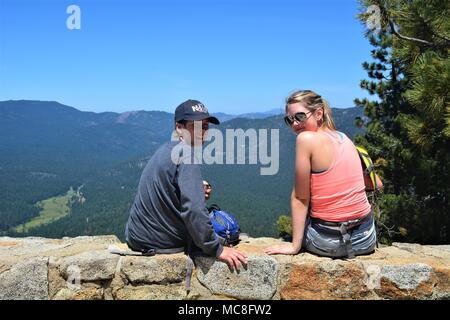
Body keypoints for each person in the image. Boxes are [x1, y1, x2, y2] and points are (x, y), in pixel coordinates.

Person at [125, 99, 247, 271]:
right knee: (226, 230)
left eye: (205, 126)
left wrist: (196, 188)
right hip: (160, 242)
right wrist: (216, 248)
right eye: (195, 126)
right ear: (179, 127)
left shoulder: (167, 148)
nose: (202, 132)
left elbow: (165, 189)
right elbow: (194, 210)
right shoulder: (186, 154)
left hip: (137, 236)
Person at [265, 90, 382, 259]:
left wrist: (295, 245)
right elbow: (377, 184)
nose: (294, 124)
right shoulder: (344, 137)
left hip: (329, 242)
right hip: (365, 238)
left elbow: (300, 198)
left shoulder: (306, 139)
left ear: (318, 113)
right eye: (289, 120)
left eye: (299, 116)